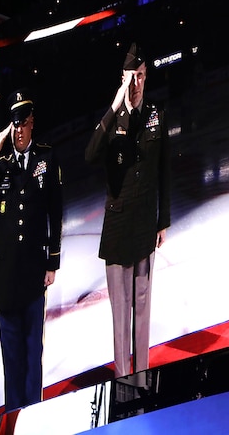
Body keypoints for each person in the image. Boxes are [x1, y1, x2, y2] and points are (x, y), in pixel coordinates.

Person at [0, 88, 63, 412]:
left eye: (23, 123)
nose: (19, 130)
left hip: (34, 274)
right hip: (6, 280)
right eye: (14, 125)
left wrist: (53, 263)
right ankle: (14, 419)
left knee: (32, 355)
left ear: (32, 122)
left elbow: (56, 212)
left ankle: (33, 417)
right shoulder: (3, 166)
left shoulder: (47, 159)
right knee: (12, 361)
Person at [85, 43, 171, 377]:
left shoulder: (156, 114)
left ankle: (143, 374)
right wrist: (115, 104)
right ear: (122, 79)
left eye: (142, 76)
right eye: (132, 77)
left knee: (143, 305)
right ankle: (124, 377)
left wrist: (163, 220)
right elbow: (90, 155)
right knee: (120, 311)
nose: (137, 83)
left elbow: (164, 169)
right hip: (119, 228)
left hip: (145, 223)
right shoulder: (111, 119)